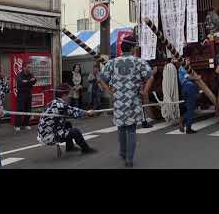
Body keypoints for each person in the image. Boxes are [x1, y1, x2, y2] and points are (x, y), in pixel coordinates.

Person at [99, 35, 156, 168]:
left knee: (121, 128)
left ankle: (123, 152)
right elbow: (150, 76)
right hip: (133, 100)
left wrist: (110, 92)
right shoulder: (139, 62)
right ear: (132, 48)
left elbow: (101, 79)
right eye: (135, 47)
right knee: (131, 129)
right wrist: (145, 91)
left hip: (118, 100)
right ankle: (129, 159)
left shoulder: (112, 63)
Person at [37, 83, 96, 154]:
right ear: (64, 95)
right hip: (48, 136)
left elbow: (70, 111)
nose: (70, 96)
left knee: (67, 124)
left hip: (45, 133)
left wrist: (85, 112)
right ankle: (86, 149)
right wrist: (87, 112)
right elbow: (74, 112)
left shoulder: (53, 102)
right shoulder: (59, 105)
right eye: (69, 94)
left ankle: (70, 147)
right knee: (75, 131)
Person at [178, 56, 200, 134]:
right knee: (191, 108)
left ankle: (187, 126)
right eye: (187, 60)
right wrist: (196, 78)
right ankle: (184, 122)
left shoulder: (184, 68)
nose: (188, 61)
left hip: (185, 88)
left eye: (189, 60)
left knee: (189, 108)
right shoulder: (183, 68)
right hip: (189, 87)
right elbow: (187, 76)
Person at [15, 62, 36, 131]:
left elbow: (34, 81)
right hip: (21, 94)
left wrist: (28, 81)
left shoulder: (31, 74)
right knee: (20, 109)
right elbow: (21, 83)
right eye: (28, 67)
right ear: (24, 68)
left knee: (28, 109)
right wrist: (29, 82)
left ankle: (26, 124)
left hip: (29, 94)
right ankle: (17, 125)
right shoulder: (20, 75)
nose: (29, 69)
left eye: (30, 67)